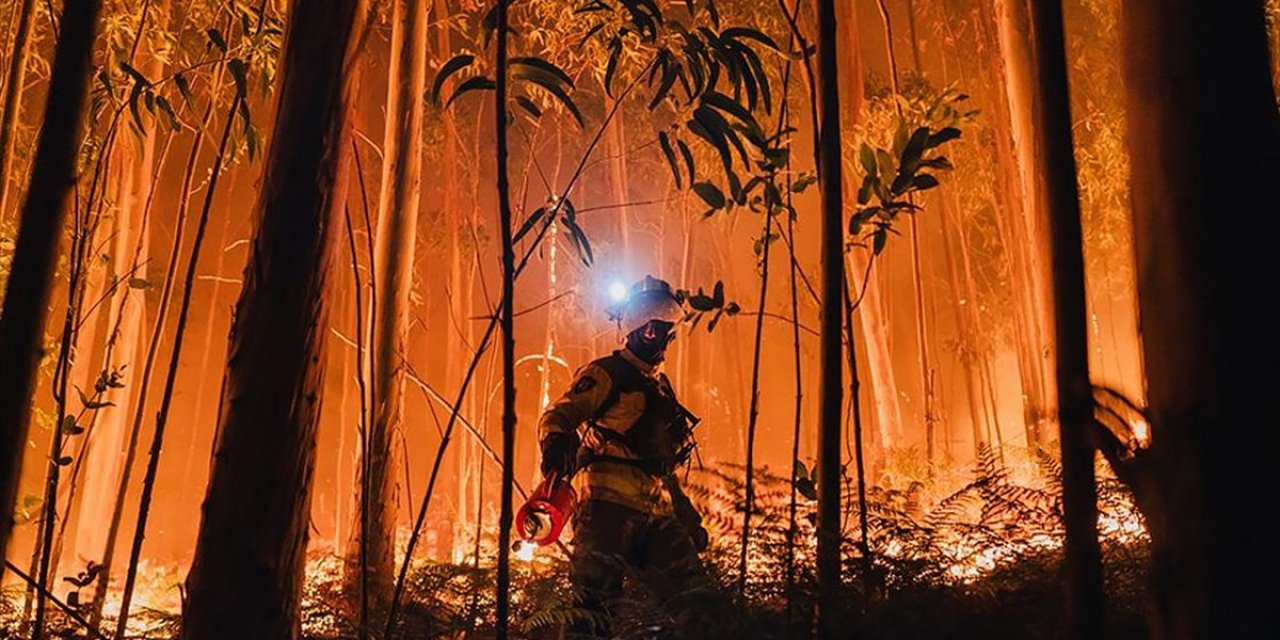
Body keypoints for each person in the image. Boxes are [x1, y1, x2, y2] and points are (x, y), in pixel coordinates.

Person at [537, 275, 712, 639]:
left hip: (655, 512)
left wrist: (683, 510)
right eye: (665, 331)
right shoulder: (606, 374)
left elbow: (659, 459)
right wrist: (556, 446)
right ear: (647, 329)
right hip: (606, 513)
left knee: (695, 601)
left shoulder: (659, 386)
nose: (668, 340)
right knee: (592, 611)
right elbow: (559, 415)